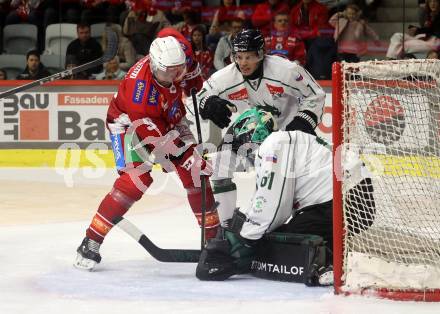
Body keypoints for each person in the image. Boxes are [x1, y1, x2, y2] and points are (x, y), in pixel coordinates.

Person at [74, 36, 220, 271]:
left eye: (178, 70)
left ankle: (215, 240)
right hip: (128, 124)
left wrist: (193, 77)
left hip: (166, 115)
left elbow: (179, 41)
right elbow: (160, 144)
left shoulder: (175, 56)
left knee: (196, 173)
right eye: (168, 73)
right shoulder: (139, 97)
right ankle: (91, 240)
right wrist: (185, 155)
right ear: (153, 67)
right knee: (135, 181)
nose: (174, 77)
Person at [196, 108, 375, 283]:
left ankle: (324, 264)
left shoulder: (274, 143)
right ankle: (330, 257)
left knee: (283, 241)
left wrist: (245, 239)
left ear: (249, 135)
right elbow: (275, 200)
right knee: (286, 233)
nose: (242, 154)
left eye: (239, 145)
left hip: (344, 200)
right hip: (350, 197)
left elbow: (274, 203)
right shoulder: (285, 141)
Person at [196, 28, 325, 228]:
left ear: (261, 54)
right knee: (221, 163)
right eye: (238, 57)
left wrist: (302, 123)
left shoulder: (286, 70)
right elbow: (200, 97)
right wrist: (208, 104)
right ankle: (227, 225)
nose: (243, 63)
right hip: (254, 132)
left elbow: (315, 94)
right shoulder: (226, 76)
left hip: (289, 137)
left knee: (285, 187)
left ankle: (277, 225)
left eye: (249, 57)